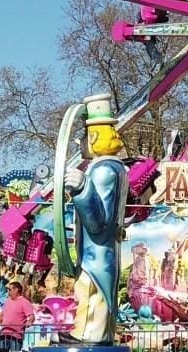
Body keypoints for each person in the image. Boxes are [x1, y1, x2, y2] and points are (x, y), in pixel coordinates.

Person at [60, 94, 130, 345]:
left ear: (94, 137)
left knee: (92, 291)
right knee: (95, 292)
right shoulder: (116, 167)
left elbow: (98, 221)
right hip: (105, 251)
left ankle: (90, 333)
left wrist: (81, 189)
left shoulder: (102, 171)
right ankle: (93, 331)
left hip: (96, 252)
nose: (81, 144)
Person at [0, 281, 35, 352]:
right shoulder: (7, 301)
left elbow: (31, 316)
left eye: (10, 290)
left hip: (16, 335)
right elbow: (2, 315)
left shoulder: (25, 302)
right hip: (4, 333)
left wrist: (29, 321)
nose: (8, 292)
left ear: (17, 290)